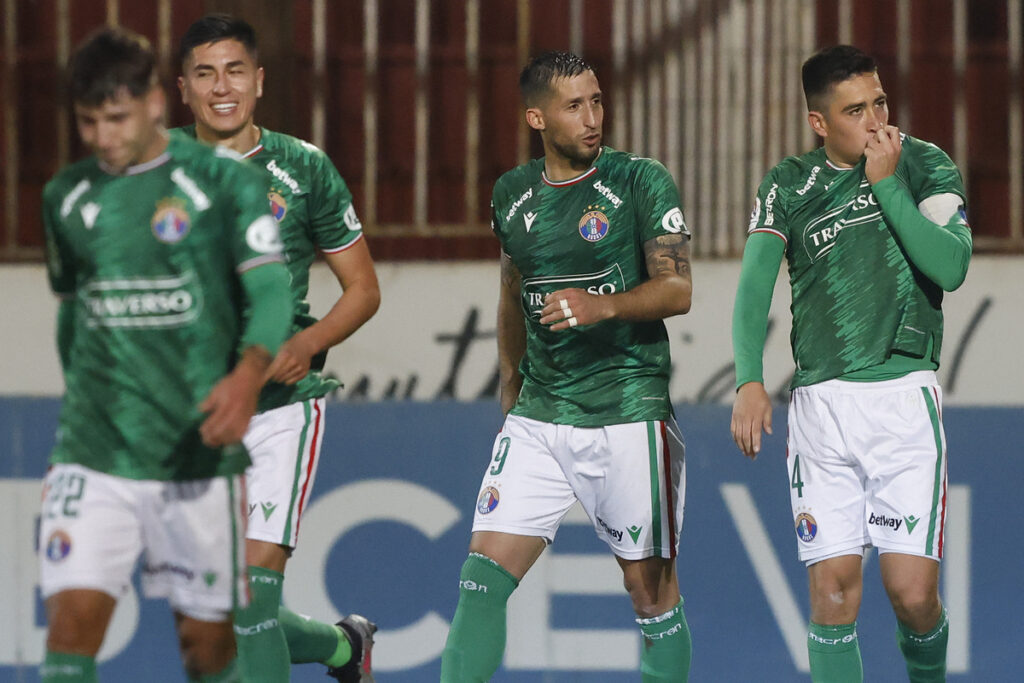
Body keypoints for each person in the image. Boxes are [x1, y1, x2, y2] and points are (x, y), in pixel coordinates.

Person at [39, 26, 294, 683]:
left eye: (117, 118)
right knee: (68, 637)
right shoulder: (66, 197)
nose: (103, 137)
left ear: (155, 101)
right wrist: (76, 423)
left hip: (196, 455)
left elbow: (271, 290)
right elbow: (74, 311)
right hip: (96, 456)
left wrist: (246, 375)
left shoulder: (223, 184)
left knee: (205, 652)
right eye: (88, 121)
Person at [440, 51, 694, 682]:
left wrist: (601, 305)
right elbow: (511, 285)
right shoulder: (511, 194)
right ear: (537, 117)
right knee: (480, 580)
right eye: (574, 105)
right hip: (541, 414)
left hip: (628, 413)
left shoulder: (640, 181)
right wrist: (509, 372)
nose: (592, 118)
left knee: (649, 594)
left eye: (597, 101)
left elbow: (678, 290)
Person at [731, 45, 971, 682]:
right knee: (833, 595)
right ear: (819, 123)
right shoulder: (788, 184)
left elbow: (950, 266)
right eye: (855, 110)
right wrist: (749, 379)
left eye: (880, 103)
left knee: (912, 595)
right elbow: (755, 285)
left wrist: (886, 184)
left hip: (902, 402)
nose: (875, 121)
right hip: (821, 410)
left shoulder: (922, 164)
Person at [176, 14, 381, 683]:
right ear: (184, 89)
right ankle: (344, 645)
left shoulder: (303, 168)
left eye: (234, 70)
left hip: (283, 406)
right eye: (205, 73)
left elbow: (362, 289)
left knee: (254, 592)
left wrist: (311, 339)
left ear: (259, 81)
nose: (221, 86)